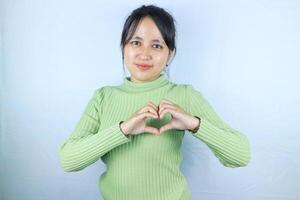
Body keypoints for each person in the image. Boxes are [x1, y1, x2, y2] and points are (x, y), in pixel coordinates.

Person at [58, 4, 251, 200]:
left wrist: (194, 124)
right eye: (135, 42)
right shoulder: (103, 97)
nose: (145, 53)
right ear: (123, 47)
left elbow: (241, 156)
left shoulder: (185, 95)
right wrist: (123, 130)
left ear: (170, 54)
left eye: (157, 45)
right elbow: (68, 160)